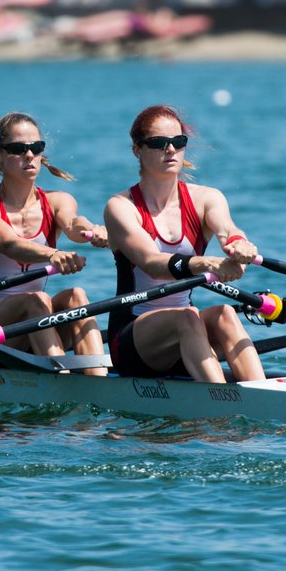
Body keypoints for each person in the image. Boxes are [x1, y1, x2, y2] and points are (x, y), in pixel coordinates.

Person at [103, 104, 264, 384]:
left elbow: (228, 230)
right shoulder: (120, 207)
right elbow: (152, 264)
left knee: (224, 313)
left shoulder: (207, 198)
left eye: (178, 142)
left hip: (182, 333)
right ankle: (222, 409)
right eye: (158, 143)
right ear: (137, 149)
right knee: (187, 317)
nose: (170, 150)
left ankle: (262, 399)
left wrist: (239, 246)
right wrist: (206, 263)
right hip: (132, 339)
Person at [0, 112, 109, 375]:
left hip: (36, 328)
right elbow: (9, 244)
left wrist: (92, 231)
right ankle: (62, 380)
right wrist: (53, 254)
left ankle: (97, 380)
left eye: (36, 148)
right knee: (35, 299)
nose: (29, 156)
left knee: (76, 295)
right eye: (18, 149)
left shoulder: (57, 201)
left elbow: (73, 224)